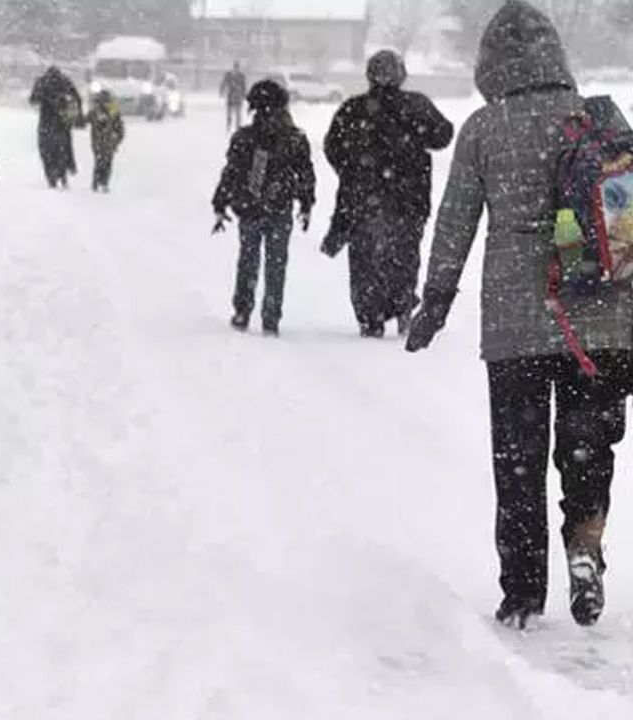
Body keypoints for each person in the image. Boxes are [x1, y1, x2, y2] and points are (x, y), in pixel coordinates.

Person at [407, 0, 633, 629]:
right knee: (588, 447)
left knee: (519, 459)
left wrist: (436, 300)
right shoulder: (597, 120)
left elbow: (454, 223)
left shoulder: (485, 127)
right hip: (604, 320)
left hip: (517, 324)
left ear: (490, 63)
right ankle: (585, 547)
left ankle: (523, 592)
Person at [323, 50, 454, 338]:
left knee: (364, 260)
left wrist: (352, 170)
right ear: (401, 74)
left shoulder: (353, 109)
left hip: (362, 199)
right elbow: (443, 135)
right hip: (410, 199)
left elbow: (332, 147)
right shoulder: (416, 105)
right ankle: (403, 304)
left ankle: (370, 316)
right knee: (404, 255)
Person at [211, 80, 315, 337]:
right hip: (280, 209)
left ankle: (242, 310)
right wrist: (306, 203)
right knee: (276, 263)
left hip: (250, 208)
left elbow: (231, 173)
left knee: (248, 259)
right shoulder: (295, 139)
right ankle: (271, 316)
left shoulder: (244, 138)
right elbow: (305, 174)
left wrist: (221, 202)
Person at [30, 66, 83, 189]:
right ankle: (64, 171)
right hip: (62, 121)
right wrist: (77, 115)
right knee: (63, 148)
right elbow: (77, 98)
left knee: (46, 150)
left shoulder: (42, 82)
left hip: (46, 122)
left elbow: (33, 99)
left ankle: (51, 176)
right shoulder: (65, 81)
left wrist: (45, 98)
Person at [86, 89, 125, 193]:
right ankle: (102, 182)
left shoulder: (97, 111)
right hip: (108, 142)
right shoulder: (112, 111)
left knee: (100, 161)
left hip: (100, 142)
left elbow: (84, 120)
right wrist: (117, 139)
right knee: (106, 162)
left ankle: (98, 182)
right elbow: (120, 128)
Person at [220, 61, 248, 135]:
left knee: (238, 113)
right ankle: (229, 125)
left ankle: (237, 127)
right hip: (231, 95)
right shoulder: (228, 75)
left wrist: (244, 94)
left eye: (237, 67)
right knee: (229, 112)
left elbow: (244, 86)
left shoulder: (241, 76)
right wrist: (222, 90)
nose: (236, 69)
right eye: (235, 67)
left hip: (238, 97)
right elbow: (224, 83)